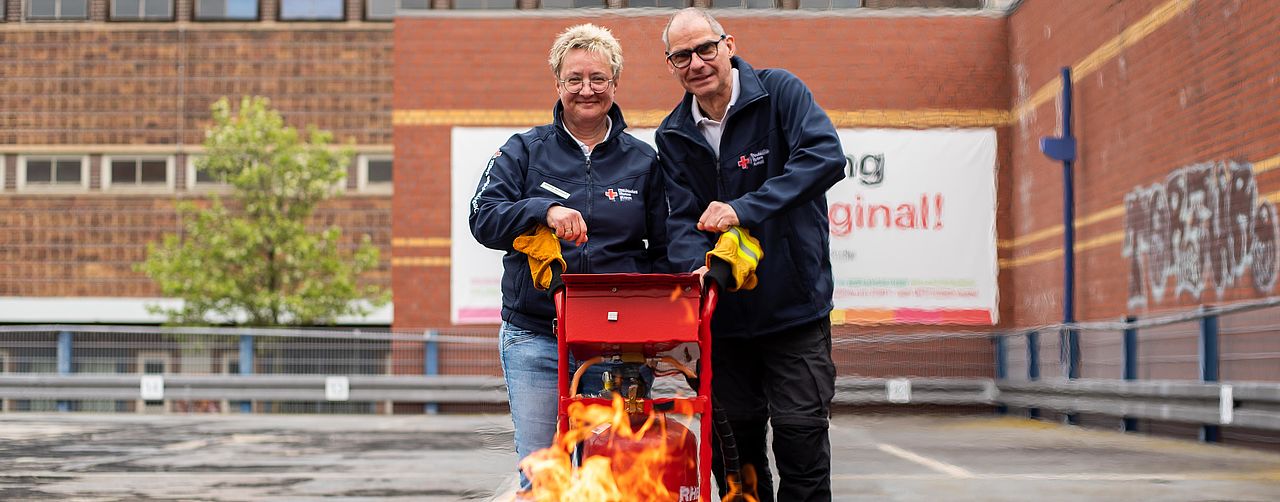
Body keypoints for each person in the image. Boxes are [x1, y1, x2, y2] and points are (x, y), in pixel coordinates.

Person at [467, 24, 669, 493]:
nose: (586, 90)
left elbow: (663, 252)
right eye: (574, 78)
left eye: (598, 79)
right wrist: (544, 210)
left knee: (614, 476)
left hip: (618, 343)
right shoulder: (523, 151)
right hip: (536, 336)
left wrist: (661, 332)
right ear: (558, 84)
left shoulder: (644, 162)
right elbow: (483, 219)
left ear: (615, 84)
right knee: (543, 473)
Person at [655, 8, 846, 502]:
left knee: (800, 440)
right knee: (736, 459)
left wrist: (740, 210)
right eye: (682, 56)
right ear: (671, 64)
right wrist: (697, 265)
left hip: (794, 311)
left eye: (705, 49)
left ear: (729, 45)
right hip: (724, 322)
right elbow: (680, 217)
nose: (696, 63)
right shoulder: (672, 132)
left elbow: (825, 157)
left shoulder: (780, 93)